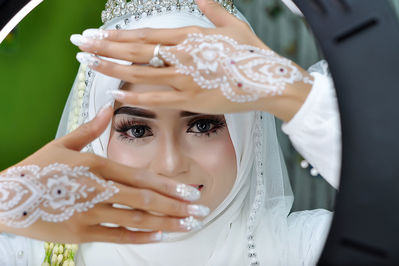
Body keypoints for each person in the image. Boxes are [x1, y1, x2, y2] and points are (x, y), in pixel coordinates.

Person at [1, 0, 341, 265]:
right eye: (136, 130)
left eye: (203, 125)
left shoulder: (306, 250)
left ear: (247, 125)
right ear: (98, 138)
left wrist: (289, 91)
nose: (169, 164)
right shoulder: (25, 256)